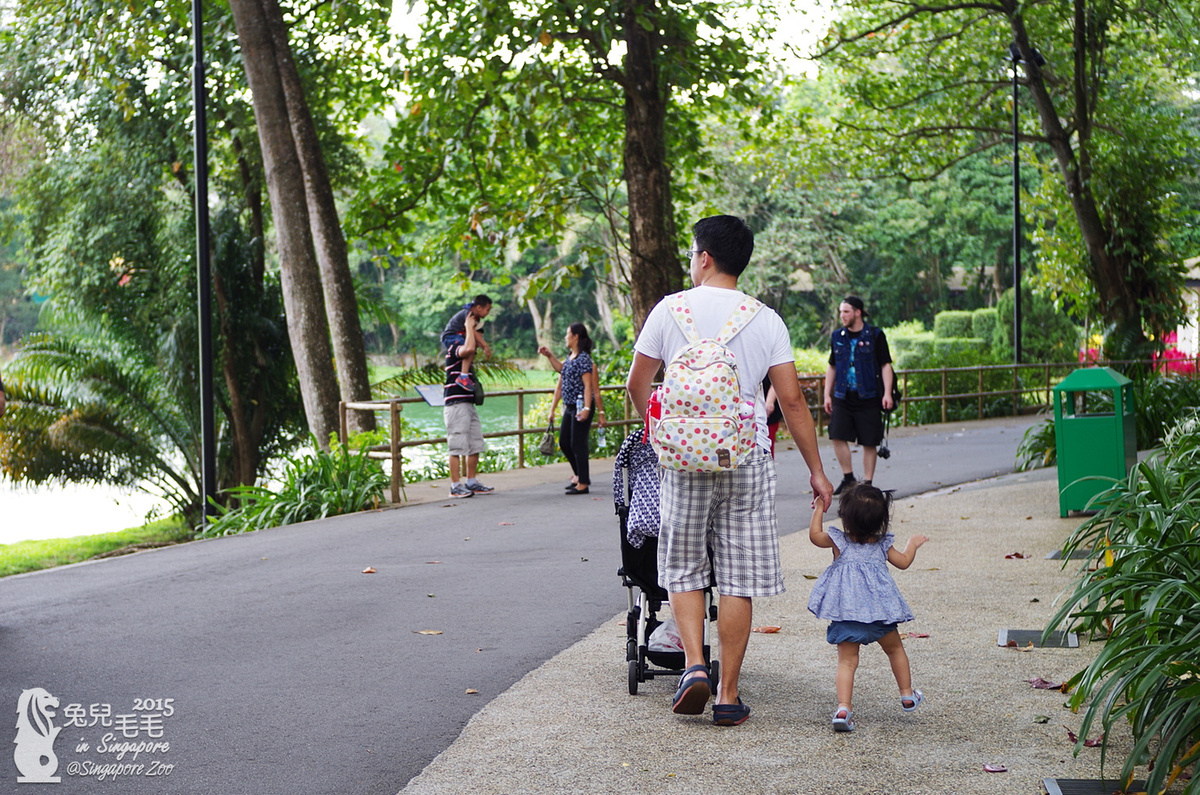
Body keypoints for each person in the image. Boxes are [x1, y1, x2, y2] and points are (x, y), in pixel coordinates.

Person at [627, 214, 834, 726]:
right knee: (738, 577)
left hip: (683, 459)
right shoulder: (766, 319)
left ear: (705, 257)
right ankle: (727, 693)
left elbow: (637, 384)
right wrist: (817, 471)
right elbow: (792, 403)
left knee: (682, 564)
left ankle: (693, 665)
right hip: (744, 456)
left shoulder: (669, 310)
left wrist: (662, 431)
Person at [807, 483, 928, 732]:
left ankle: (843, 708)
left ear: (846, 518)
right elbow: (903, 562)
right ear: (882, 521)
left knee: (847, 662)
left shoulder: (839, 541)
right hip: (881, 617)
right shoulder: (882, 544)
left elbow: (815, 536)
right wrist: (913, 545)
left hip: (848, 615)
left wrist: (818, 508)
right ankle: (906, 694)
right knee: (895, 651)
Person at [823, 296, 895, 495]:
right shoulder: (838, 336)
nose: (842, 316)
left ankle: (868, 483)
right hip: (843, 395)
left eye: (846, 312)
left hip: (869, 395)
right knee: (836, 434)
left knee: (869, 440)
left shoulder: (875, 335)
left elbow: (885, 365)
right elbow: (832, 365)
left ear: (858, 312)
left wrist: (887, 393)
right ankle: (848, 478)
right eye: (840, 312)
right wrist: (826, 395)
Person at [538, 323, 605, 495]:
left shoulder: (583, 359)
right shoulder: (570, 357)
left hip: (581, 407)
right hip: (569, 407)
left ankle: (583, 483)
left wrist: (588, 409)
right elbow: (561, 371)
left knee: (578, 443)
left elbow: (588, 386)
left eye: (567, 334)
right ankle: (579, 475)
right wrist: (549, 356)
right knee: (565, 442)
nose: (565, 337)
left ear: (575, 336)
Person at [443, 310, 494, 498]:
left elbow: (475, 346)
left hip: (468, 403)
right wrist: (468, 328)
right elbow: (469, 349)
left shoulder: (467, 350)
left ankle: (471, 481)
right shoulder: (455, 346)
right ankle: (455, 485)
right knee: (456, 445)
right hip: (456, 403)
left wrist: (481, 341)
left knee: (475, 443)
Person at [441, 295, 493, 390]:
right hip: (451, 336)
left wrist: (481, 345)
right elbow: (473, 332)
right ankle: (463, 376)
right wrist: (485, 346)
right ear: (479, 307)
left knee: (471, 348)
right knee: (469, 348)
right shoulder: (470, 314)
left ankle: (464, 375)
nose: (488, 313)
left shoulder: (476, 317)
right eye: (487, 310)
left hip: (460, 336)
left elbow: (476, 335)